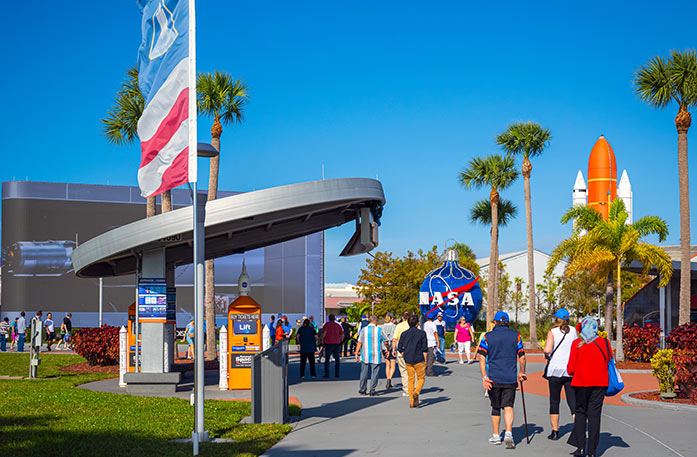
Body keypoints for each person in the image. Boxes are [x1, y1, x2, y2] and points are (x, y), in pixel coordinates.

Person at [478, 311, 527, 449]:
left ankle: (495, 435)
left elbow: (481, 357)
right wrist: (522, 372)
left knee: (495, 407)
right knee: (508, 405)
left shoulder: (488, 337)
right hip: (510, 377)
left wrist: (484, 377)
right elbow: (522, 356)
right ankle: (509, 433)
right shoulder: (516, 335)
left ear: (495, 322)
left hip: (494, 377)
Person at [566, 316, 611, 457]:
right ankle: (592, 451)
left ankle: (580, 447)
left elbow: (570, 369)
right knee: (594, 416)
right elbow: (609, 360)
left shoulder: (576, 344)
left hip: (581, 384)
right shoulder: (604, 342)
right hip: (599, 383)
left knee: (580, 413)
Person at [543, 308, 578, 440]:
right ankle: (578, 428)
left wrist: (546, 352)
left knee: (554, 400)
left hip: (555, 370)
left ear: (557, 319)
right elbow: (576, 347)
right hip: (569, 370)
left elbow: (547, 349)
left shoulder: (552, 332)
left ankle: (555, 431)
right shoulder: (573, 331)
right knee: (572, 400)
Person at [397, 314, 428, 408]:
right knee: (421, 378)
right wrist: (425, 359)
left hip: (408, 359)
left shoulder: (404, 333)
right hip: (419, 358)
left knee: (410, 379)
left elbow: (399, 347)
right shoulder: (422, 333)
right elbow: (425, 348)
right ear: (417, 323)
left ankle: (411, 401)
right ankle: (417, 392)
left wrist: (403, 353)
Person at [356, 315, 387, 395]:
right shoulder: (379, 330)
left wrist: (356, 353)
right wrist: (388, 348)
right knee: (375, 372)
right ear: (375, 321)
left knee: (364, 372)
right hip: (376, 354)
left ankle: (362, 389)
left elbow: (359, 342)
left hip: (365, 354)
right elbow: (385, 341)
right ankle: (372, 390)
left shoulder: (363, 330)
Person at [392, 311, 411, 397]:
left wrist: (393, 349)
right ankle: (413, 388)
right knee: (412, 370)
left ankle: (406, 389)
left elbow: (395, 339)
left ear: (402, 317)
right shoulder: (414, 325)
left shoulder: (399, 326)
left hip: (402, 352)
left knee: (403, 371)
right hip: (412, 351)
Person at [476, 321, 495, 398]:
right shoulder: (493, 336)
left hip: (486, 356)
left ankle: (487, 390)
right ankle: (489, 389)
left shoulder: (485, 335)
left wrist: (477, 353)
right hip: (492, 356)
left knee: (487, 372)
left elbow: (480, 346)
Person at [381, 312, 397, 389]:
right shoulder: (394, 326)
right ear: (391, 318)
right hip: (392, 346)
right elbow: (394, 337)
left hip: (384, 346)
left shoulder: (382, 326)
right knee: (393, 364)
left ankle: (388, 378)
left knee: (387, 364)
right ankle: (389, 379)